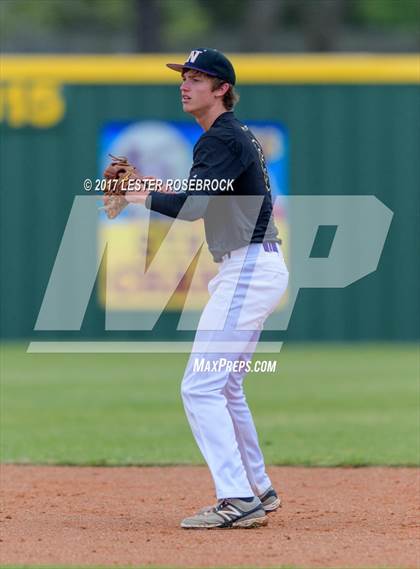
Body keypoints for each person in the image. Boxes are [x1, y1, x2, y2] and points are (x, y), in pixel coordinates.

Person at [104, 48, 289, 529]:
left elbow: (190, 209)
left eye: (198, 78)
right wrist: (146, 184)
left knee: (200, 386)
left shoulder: (219, 138)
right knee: (225, 386)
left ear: (222, 88)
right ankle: (259, 489)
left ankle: (237, 499)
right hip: (255, 267)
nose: (186, 84)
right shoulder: (229, 136)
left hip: (248, 269)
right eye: (184, 76)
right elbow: (197, 199)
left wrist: (135, 193)